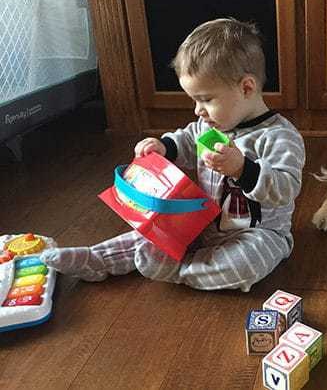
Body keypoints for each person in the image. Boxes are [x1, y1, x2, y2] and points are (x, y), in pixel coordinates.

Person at [41, 18, 305, 292]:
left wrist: (242, 169)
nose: (197, 110)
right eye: (194, 100)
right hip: (203, 222)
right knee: (153, 231)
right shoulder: (208, 124)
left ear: (247, 87)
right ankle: (97, 259)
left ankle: (181, 270)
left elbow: (286, 188)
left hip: (258, 233)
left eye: (206, 99)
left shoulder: (280, 136)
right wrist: (164, 147)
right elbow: (188, 140)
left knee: (250, 262)